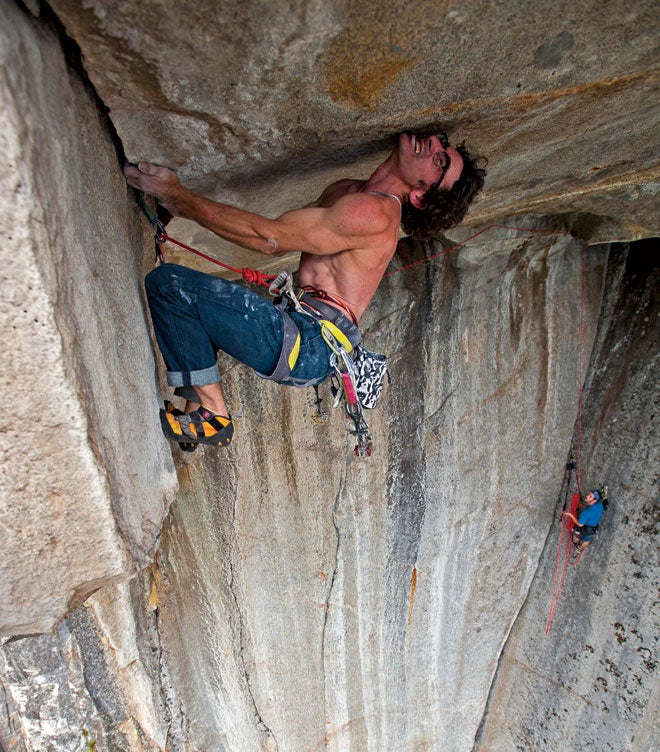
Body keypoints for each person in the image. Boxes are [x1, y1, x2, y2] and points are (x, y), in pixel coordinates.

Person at [123, 130, 486, 448]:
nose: (434, 143)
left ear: (420, 195)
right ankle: (195, 404)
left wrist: (179, 197)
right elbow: (276, 230)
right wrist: (182, 207)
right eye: (442, 144)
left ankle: (213, 415)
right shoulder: (348, 191)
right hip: (302, 329)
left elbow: (269, 240)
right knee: (205, 306)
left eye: (440, 160)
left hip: (311, 342)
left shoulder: (374, 214)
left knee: (171, 285)